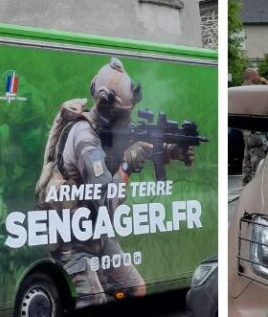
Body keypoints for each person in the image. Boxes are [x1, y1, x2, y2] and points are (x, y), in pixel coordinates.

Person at [34, 58, 194, 308]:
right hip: (72, 242)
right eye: (125, 115)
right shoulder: (85, 138)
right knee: (94, 301)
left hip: (95, 234)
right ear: (108, 109)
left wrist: (171, 152)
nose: (129, 121)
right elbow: (107, 202)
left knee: (136, 288)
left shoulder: (108, 131)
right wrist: (128, 165)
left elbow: (134, 150)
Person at [241, 68, 268, 186]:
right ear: (252, 76)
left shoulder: (241, 88)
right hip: (254, 129)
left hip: (246, 129)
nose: (259, 76)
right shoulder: (254, 89)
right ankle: (257, 183)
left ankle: (246, 182)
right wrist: (264, 80)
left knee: (247, 157)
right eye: (257, 75)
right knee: (257, 156)